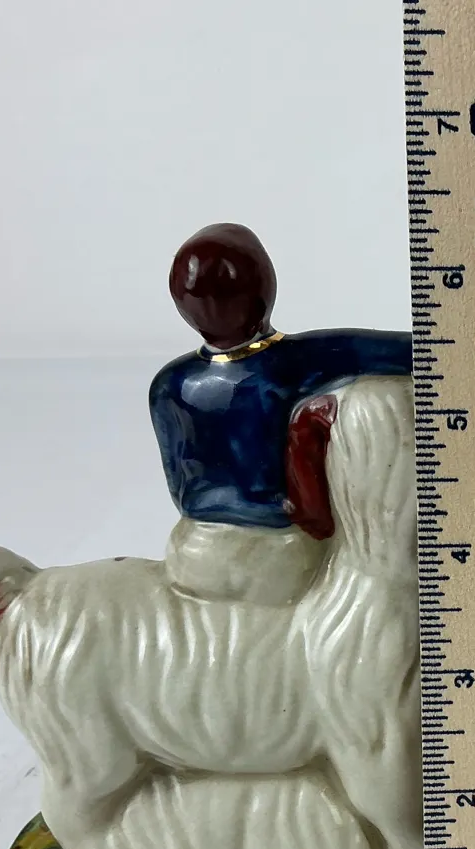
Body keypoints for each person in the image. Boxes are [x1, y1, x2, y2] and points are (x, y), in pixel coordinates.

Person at [149, 223, 410, 602]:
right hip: (277, 552)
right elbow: (401, 351)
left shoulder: (169, 385)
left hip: (192, 552)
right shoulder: (291, 365)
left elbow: (182, 492)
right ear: (265, 288)